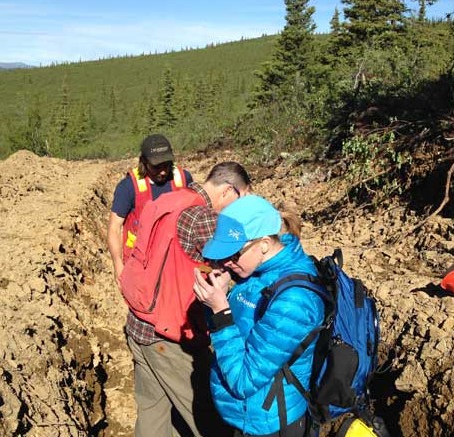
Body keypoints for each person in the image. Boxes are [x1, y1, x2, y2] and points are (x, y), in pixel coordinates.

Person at [124, 161, 251, 437]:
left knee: (152, 413)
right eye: (241, 201)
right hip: (169, 337)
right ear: (229, 191)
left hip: (138, 323)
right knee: (208, 418)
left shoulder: (170, 198)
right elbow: (239, 265)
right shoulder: (202, 217)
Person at [192, 195, 325, 437]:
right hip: (246, 415)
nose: (226, 262)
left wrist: (220, 312)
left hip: (270, 421)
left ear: (263, 243)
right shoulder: (255, 271)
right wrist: (218, 298)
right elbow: (236, 328)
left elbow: (244, 380)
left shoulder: (294, 301)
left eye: (234, 254)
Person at [107, 134, 193, 286]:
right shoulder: (128, 187)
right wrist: (117, 264)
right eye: (156, 167)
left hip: (177, 260)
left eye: (166, 165)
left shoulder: (184, 179)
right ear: (144, 162)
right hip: (142, 263)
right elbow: (114, 227)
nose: (162, 172)